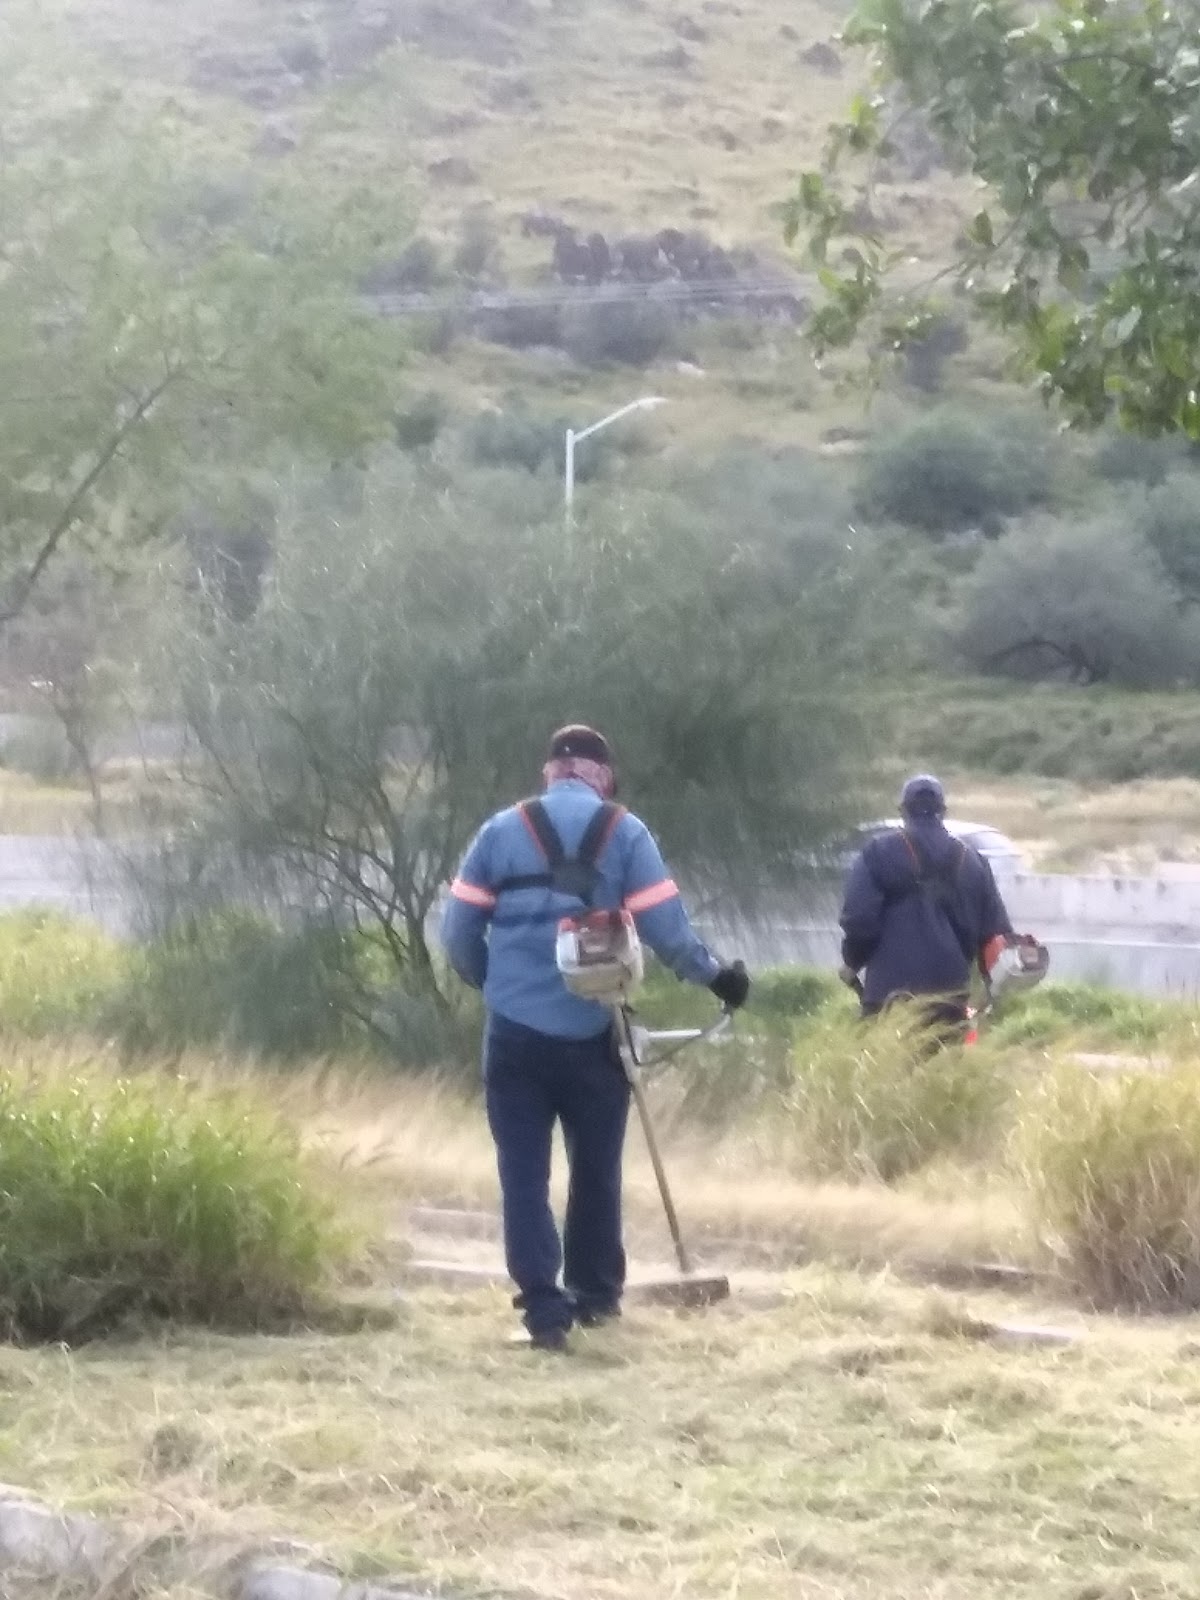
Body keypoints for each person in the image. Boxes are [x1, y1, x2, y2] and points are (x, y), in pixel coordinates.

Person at [440, 724, 750, 1352]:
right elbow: (666, 928)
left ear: (550, 772)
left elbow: (457, 934)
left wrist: (492, 981)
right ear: (602, 775)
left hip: (514, 1034)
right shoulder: (626, 832)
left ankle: (544, 1312)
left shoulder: (499, 831)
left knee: (523, 1174)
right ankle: (596, 1298)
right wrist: (718, 977)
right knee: (596, 1169)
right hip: (596, 1027)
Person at [837, 773, 1015, 1035]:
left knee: (884, 1061)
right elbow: (996, 935)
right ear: (942, 812)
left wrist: (852, 961)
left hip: (888, 995)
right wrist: (988, 992)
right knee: (943, 1060)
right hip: (950, 998)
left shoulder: (877, 853)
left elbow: (859, 919)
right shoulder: (973, 861)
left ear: (903, 810)